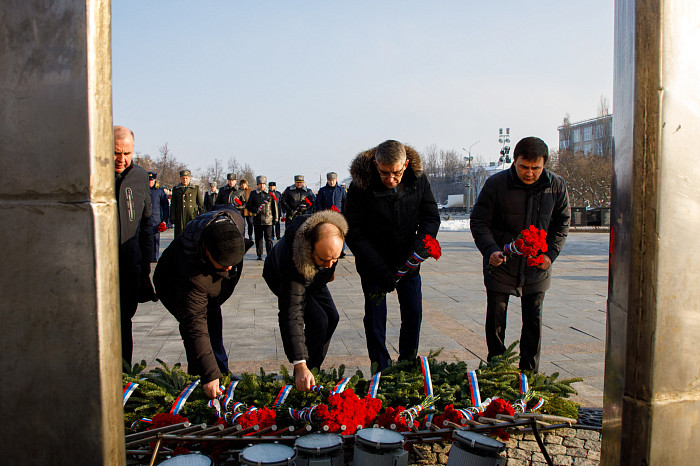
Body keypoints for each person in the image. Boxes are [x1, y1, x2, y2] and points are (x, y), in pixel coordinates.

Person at [470, 136, 570, 372]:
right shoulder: (496, 185)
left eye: (536, 168)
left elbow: (562, 223)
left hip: (537, 266)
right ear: (514, 161)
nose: (529, 173)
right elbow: (479, 222)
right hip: (501, 264)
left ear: (544, 164)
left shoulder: (556, 186)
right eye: (524, 167)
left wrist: (550, 254)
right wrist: (491, 250)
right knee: (496, 320)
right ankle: (497, 370)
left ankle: (529, 374)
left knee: (533, 320)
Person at [345, 140, 440, 372]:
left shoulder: (418, 181)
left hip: (407, 262)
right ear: (376, 164)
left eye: (396, 173)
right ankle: (381, 367)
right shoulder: (361, 185)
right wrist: (378, 267)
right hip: (373, 264)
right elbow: (354, 231)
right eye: (384, 173)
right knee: (376, 317)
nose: (390, 179)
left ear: (405, 164)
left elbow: (430, 218)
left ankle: (407, 364)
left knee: (413, 313)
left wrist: (419, 246)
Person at [153, 209, 253, 399]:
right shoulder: (192, 273)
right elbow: (194, 324)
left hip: (209, 286)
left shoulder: (233, 224)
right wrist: (209, 374)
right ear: (208, 252)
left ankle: (221, 372)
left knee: (214, 320)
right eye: (224, 264)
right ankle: (204, 376)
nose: (230, 268)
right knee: (199, 326)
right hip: (172, 286)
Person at [263, 210, 347, 391]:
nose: (331, 264)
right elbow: (291, 315)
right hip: (281, 276)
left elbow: (329, 259)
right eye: (326, 259)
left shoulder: (330, 240)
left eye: (335, 258)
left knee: (332, 317)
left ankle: (314, 368)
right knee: (318, 320)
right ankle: (303, 373)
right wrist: (299, 363)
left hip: (314, 276)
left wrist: (327, 268)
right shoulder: (293, 265)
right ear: (310, 247)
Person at [114, 126, 154, 366]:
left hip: (129, 263)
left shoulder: (139, 177)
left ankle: (123, 373)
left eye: (127, 153)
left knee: (124, 320)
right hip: (97, 266)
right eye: (116, 153)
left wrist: (145, 266)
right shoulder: (91, 172)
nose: (122, 159)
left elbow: (147, 224)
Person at [245, 175, 278, 260]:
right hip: (257, 220)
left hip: (268, 220)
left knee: (268, 239)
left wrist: (276, 219)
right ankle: (259, 254)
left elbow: (275, 207)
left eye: (263, 184)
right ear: (257, 184)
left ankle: (270, 254)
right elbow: (248, 205)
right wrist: (254, 210)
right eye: (260, 184)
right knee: (258, 238)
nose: (262, 186)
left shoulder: (270, 194)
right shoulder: (253, 194)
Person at [316, 171, 348, 256]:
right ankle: (328, 249)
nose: (331, 182)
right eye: (330, 180)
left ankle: (341, 250)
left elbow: (345, 202)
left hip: (339, 215)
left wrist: (344, 214)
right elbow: (318, 202)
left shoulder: (341, 190)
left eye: (333, 180)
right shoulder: (323, 190)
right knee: (327, 232)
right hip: (327, 216)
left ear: (336, 180)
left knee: (340, 232)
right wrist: (321, 213)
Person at [170, 169, 203, 237]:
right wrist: (172, 217)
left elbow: (200, 204)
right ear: (180, 179)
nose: (185, 180)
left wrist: (202, 216)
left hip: (192, 215)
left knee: (192, 235)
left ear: (189, 178)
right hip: (180, 216)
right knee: (180, 235)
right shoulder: (176, 189)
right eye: (183, 178)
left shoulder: (195, 189)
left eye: (186, 178)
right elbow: (173, 204)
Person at [148, 171, 170, 262]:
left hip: (156, 219)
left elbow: (165, 207)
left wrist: (165, 220)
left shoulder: (159, 191)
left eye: (152, 181)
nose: (150, 182)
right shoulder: (143, 190)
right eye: (148, 181)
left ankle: (154, 257)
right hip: (145, 219)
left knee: (155, 240)